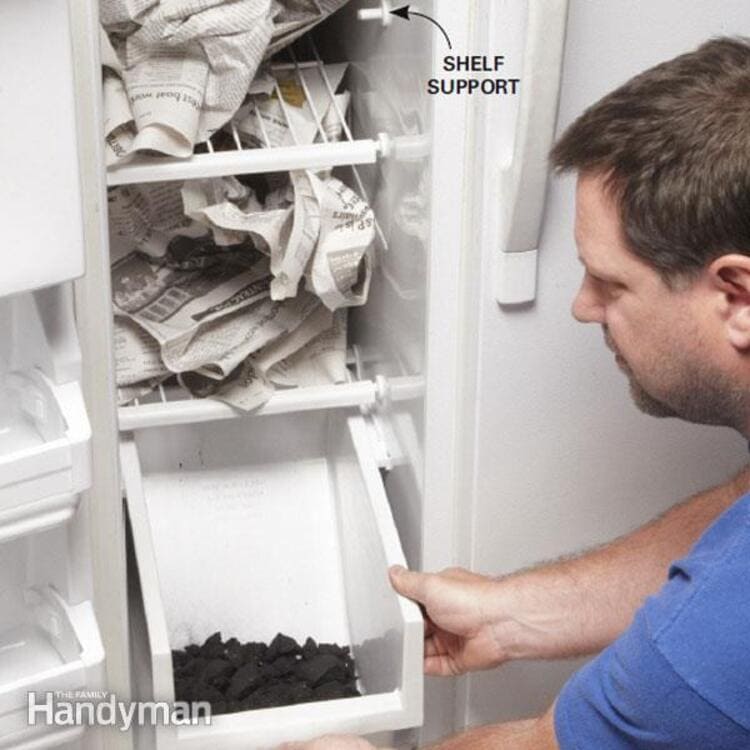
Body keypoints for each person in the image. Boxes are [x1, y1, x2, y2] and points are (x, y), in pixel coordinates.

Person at [286, 36, 750, 749]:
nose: (583, 307)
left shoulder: (699, 658)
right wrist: (511, 614)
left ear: (737, 296)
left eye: (612, 282)